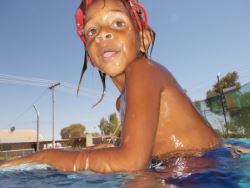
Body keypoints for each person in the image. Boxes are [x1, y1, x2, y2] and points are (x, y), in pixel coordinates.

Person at [0, 0, 220, 173]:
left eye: (118, 23)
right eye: (92, 31)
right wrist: (108, 148)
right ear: (91, 56)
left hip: (210, 167)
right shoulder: (120, 101)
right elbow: (140, 150)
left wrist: (44, 157)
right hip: (182, 168)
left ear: (143, 39)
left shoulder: (144, 71)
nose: (103, 33)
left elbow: (131, 161)